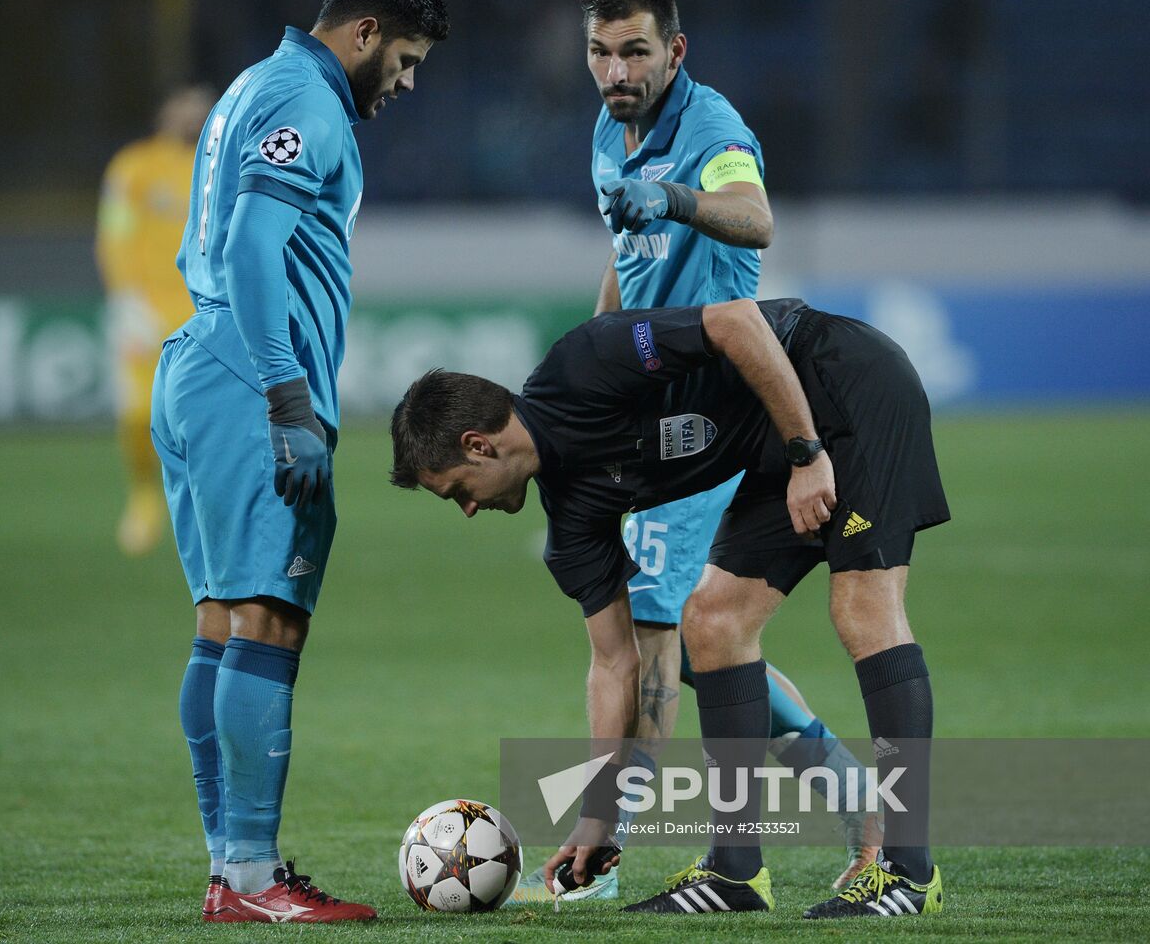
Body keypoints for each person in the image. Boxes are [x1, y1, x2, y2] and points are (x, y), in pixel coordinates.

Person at [390, 297, 948, 920]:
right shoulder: (571, 519)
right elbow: (613, 664)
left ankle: (908, 872)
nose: (467, 509)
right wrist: (597, 816)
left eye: (458, 491)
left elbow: (738, 321)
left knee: (862, 609)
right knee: (711, 623)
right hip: (775, 440)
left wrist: (805, 452)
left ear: (479, 446)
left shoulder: (584, 364)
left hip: (842, 380)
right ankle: (736, 873)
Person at [508, 0, 873, 904]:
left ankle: (613, 841)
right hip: (650, 409)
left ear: (675, 51)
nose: (615, 69)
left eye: (634, 50)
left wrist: (673, 200)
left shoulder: (711, 132)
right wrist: (593, 368)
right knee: (703, 646)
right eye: (599, 50)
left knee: (658, 634)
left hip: (707, 416)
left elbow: (755, 217)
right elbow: (627, 263)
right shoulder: (608, 128)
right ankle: (859, 797)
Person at [150, 0, 448, 923]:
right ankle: (250, 877)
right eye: (402, 61)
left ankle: (230, 870)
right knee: (269, 622)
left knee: (221, 625)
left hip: (199, 366)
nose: (404, 85)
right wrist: (286, 397)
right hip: (248, 379)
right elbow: (246, 243)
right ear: (362, 33)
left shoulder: (252, 86)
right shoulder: (306, 101)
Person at [96, 86, 214, 555]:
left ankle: (202, 508)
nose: (196, 112)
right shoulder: (134, 165)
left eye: (204, 106)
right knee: (137, 412)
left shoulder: (217, 162)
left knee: (206, 420)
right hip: (144, 308)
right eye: (187, 103)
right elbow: (114, 232)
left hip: (202, 311)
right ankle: (143, 496)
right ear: (164, 110)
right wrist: (125, 297)